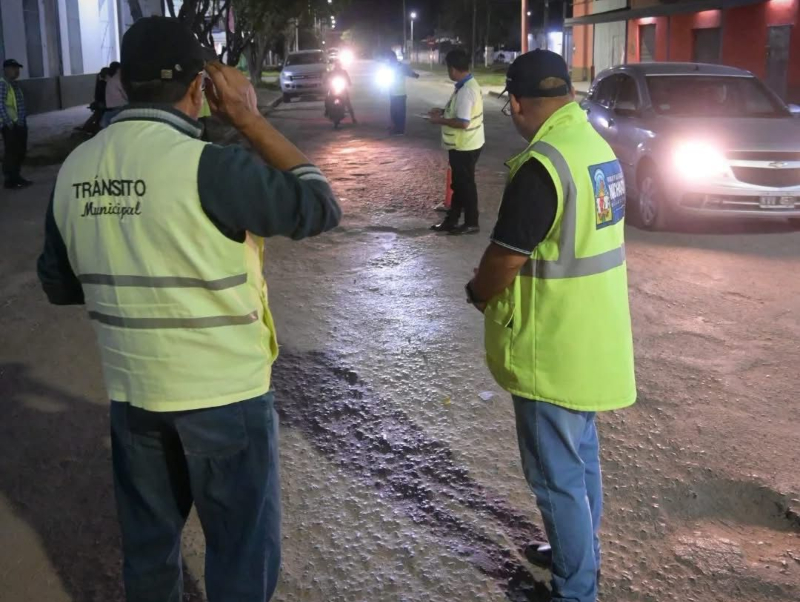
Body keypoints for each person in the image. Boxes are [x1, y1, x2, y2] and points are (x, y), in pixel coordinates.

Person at [36, 16, 341, 602]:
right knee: (239, 552)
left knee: (149, 554)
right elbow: (318, 204)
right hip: (223, 397)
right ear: (203, 87)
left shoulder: (74, 171)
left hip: (134, 395)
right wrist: (248, 118)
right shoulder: (212, 165)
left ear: (123, 83)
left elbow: (59, 283)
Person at [465, 50, 636, 602]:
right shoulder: (595, 149)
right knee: (581, 457)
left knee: (555, 478)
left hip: (552, 346)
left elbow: (505, 259)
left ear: (516, 103)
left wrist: (479, 293)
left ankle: (575, 588)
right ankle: (578, 552)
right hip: (592, 336)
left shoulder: (544, 165)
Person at [428, 49, 485, 235]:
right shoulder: (466, 85)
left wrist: (439, 120)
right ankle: (452, 221)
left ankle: (471, 222)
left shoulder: (466, 91)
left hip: (465, 145)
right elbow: (459, 113)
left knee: (465, 186)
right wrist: (443, 112)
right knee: (460, 185)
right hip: (468, 143)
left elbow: (463, 122)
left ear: (453, 69)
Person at [1, 58, 31, 190]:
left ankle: (16, 177)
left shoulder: (14, 84)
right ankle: (10, 179)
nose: (17, 71)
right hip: (11, 125)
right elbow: (0, 104)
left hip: (19, 123)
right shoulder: (3, 84)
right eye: (14, 68)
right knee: (12, 152)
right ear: (6, 69)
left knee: (20, 151)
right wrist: (8, 122)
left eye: (18, 68)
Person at [386, 52, 418, 135]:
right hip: (392, 93)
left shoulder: (402, 66)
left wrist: (414, 74)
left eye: (390, 59)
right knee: (393, 112)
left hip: (400, 94)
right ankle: (394, 126)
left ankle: (400, 130)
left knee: (400, 112)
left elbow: (411, 73)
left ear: (394, 58)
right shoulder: (388, 67)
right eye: (388, 59)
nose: (389, 60)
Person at [77, 67, 111, 134]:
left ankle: (87, 128)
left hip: (100, 103)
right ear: (107, 75)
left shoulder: (101, 83)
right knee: (99, 117)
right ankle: (89, 128)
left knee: (97, 116)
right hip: (102, 104)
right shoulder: (104, 84)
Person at [324, 59, 357, 124]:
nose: (337, 66)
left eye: (339, 65)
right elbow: (326, 78)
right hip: (333, 88)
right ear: (335, 65)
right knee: (327, 98)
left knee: (347, 102)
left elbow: (348, 79)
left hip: (342, 88)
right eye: (336, 65)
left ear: (340, 65)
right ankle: (327, 111)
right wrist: (325, 82)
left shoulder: (344, 72)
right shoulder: (331, 72)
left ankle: (353, 118)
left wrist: (349, 82)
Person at [102, 61, 127, 128]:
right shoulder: (117, 79)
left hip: (112, 107)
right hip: (119, 106)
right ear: (118, 69)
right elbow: (124, 93)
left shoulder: (111, 80)